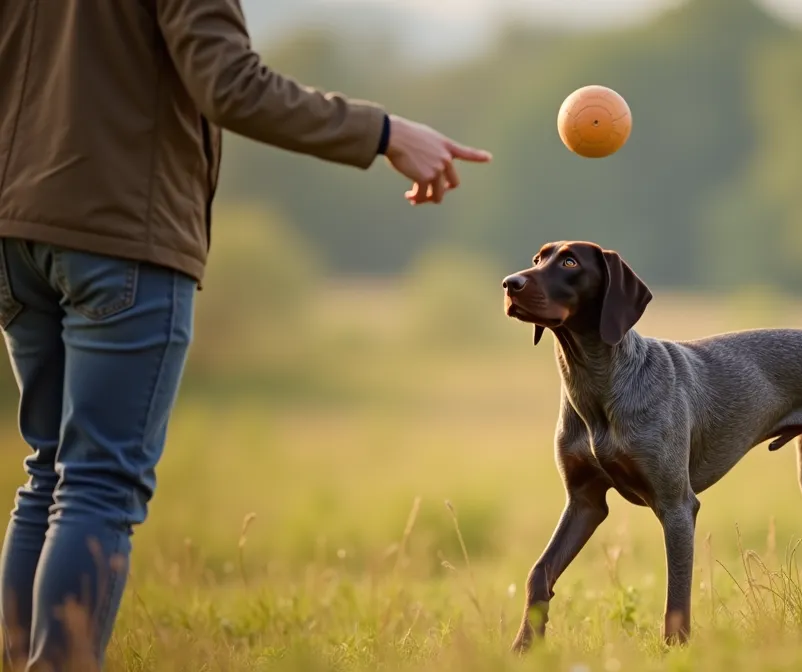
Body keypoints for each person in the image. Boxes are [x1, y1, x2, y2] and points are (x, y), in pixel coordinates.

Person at [0, 1, 492, 668]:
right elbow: (229, 85)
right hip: (121, 233)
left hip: (16, 229)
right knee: (94, 484)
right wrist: (382, 132)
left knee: (48, 470)